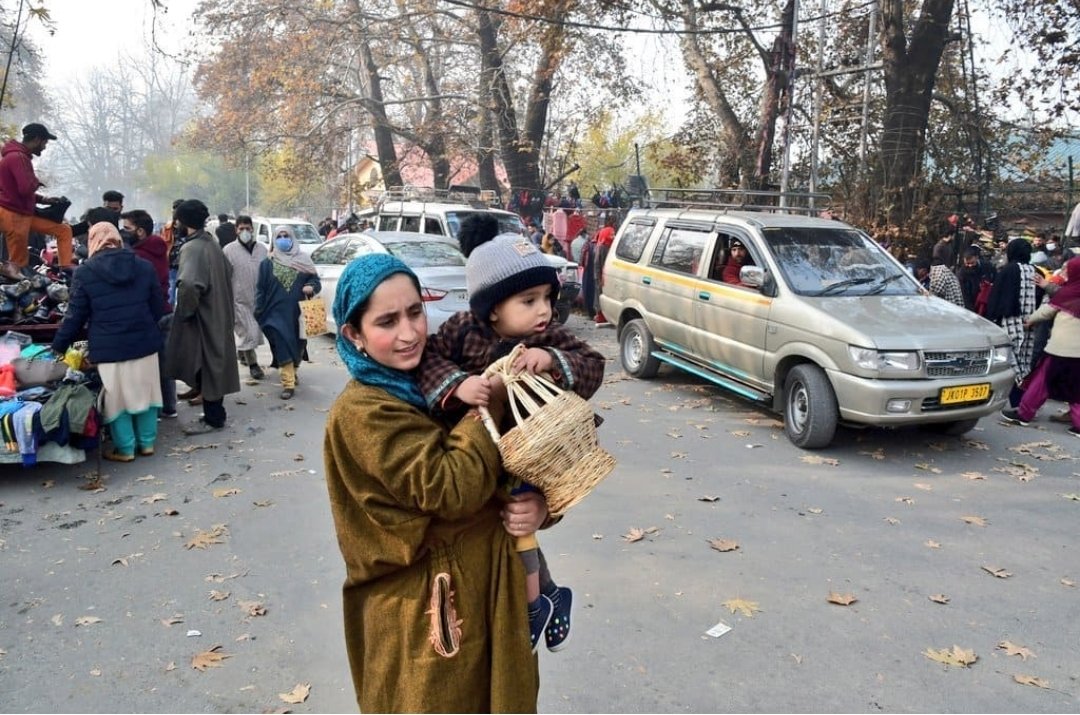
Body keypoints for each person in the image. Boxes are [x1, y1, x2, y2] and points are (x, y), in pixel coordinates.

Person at [324, 253, 547, 712]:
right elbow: (454, 488)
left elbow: (523, 460)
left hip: (494, 592)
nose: (409, 334)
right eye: (387, 321)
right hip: (426, 612)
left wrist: (540, 506)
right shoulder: (365, 412)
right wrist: (487, 406)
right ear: (354, 334)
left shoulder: (438, 380)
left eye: (415, 312)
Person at [418, 221, 605, 653]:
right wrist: (457, 385)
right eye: (529, 300)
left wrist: (551, 358)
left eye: (547, 299)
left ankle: (535, 604)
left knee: (521, 524)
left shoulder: (546, 337)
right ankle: (548, 596)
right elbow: (431, 360)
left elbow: (592, 364)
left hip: (531, 453)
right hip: (479, 455)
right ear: (492, 308)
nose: (544, 311)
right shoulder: (462, 331)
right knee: (511, 530)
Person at [51, 223, 166, 461]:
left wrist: (59, 345)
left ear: (94, 241)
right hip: (144, 341)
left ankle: (125, 449)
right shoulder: (144, 266)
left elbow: (75, 315)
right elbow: (158, 306)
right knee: (147, 391)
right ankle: (147, 444)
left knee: (117, 397)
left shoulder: (86, 272)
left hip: (109, 346)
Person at [163, 199, 241, 434]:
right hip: (218, 311)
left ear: (183, 222)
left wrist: (185, 312)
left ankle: (214, 418)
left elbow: (188, 284)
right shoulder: (210, 243)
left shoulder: (193, 248)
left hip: (204, 316)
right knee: (212, 364)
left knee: (208, 365)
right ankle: (213, 414)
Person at [1001, 257, 1080, 437]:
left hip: (1060, 349)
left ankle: (1024, 413)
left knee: (1041, 382)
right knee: (1077, 388)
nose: (1064, 272)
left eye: (1068, 270)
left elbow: (1046, 311)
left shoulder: (1068, 293)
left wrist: (1029, 321)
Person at [121, 209, 177, 418]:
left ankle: (154, 409)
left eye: (127, 229)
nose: (124, 233)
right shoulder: (157, 247)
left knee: (150, 366)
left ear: (141, 232)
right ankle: (169, 406)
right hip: (164, 310)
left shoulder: (138, 257)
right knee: (164, 364)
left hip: (151, 313)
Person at [254, 226, 320, 399]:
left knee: (298, 345)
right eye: (279, 236)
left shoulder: (304, 260)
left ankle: (294, 369)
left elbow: (315, 280)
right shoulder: (267, 263)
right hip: (274, 313)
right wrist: (258, 310)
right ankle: (288, 384)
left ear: (293, 238)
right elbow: (260, 289)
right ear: (274, 240)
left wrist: (311, 286)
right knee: (282, 344)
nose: (283, 239)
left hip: (298, 314)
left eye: (286, 236)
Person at [0, 123, 75, 269]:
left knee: (63, 230)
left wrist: (43, 199)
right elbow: (25, 188)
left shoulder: (15, 157)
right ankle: (14, 287)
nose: (44, 147)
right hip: (15, 215)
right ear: (36, 139)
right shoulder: (19, 157)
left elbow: (14, 190)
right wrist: (36, 182)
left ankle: (66, 269)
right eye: (44, 143)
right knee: (18, 265)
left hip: (21, 213)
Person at [986, 237, 1042, 407]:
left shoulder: (1008, 271)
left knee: (1010, 361)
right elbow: (1042, 296)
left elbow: (996, 298)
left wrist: (990, 320)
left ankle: (1017, 403)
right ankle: (1021, 401)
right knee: (1024, 361)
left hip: (1009, 322)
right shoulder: (1036, 272)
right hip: (1030, 324)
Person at [223, 215, 268, 380]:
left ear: (252, 229)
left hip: (260, 299)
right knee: (248, 333)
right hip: (239, 300)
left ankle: (242, 353)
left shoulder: (262, 249)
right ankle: (253, 365)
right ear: (236, 230)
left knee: (254, 333)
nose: (245, 231)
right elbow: (224, 276)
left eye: (248, 228)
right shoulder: (228, 250)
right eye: (241, 228)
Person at [957, 245, 995, 314]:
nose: (970, 266)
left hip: (985, 303)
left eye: (972, 263)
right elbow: (964, 295)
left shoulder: (987, 266)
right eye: (967, 264)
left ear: (977, 258)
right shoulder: (962, 274)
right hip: (970, 304)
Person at [593, 216, 616, 325]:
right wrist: (598, 277)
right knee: (600, 294)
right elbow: (597, 263)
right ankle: (600, 316)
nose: (613, 236)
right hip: (601, 276)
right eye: (611, 235)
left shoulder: (610, 246)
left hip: (608, 275)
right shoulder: (602, 247)